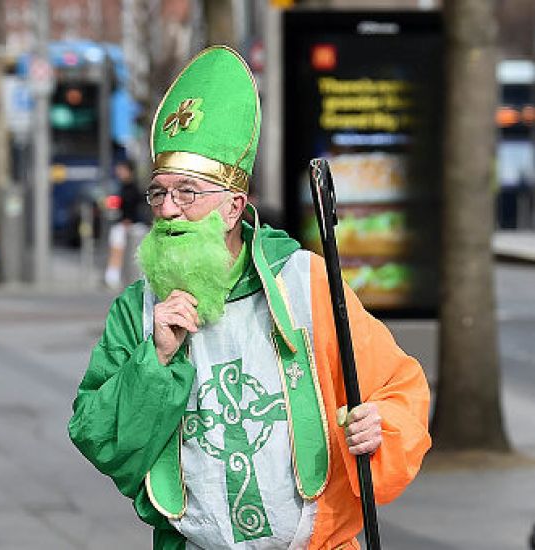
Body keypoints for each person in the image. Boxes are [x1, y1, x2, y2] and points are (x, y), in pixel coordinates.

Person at [67, 46, 431, 549]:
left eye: (188, 192)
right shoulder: (137, 309)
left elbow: (398, 387)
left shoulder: (305, 283)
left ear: (234, 207)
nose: (169, 209)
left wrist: (379, 423)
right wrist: (155, 358)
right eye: (159, 193)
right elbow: (99, 437)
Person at [104, 159, 149, 289]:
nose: (118, 172)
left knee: (120, 245)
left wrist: (127, 220)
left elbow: (133, 206)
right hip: (130, 223)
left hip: (132, 225)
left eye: (121, 169)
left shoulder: (131, 188)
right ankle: (113, 275)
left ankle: (113, 275)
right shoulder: (125, 186)